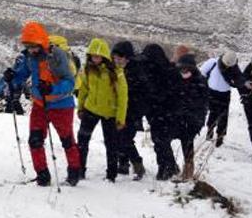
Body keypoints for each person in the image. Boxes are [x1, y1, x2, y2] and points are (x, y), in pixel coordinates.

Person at [7, 22, 81, 187]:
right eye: (28, 46)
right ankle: (43, 175)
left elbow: (70, 82)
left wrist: (52, 88)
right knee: (35, 140)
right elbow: (23, 74)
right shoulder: (30, 57)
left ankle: (74, 172)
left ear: (41, 43)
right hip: (40, 105)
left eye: (34, 46)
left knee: (67, 141)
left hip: (61, 106)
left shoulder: (57, 56)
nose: (31, 50)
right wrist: (12, 77)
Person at [76, 38, 128, 182]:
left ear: (104, 56)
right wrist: (80, 107)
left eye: (98, 56)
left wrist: (120, 118)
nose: (95, 58)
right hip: (91, 109)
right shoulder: (88, 69)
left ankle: (111, 175)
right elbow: (84, 89)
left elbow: (123, 97)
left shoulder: (116, 73)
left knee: (111, 144)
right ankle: (80, 170)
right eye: (93, 55)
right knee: (82, 140)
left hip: (109, 114)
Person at [141, 43, 181, 180]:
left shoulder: (163, 71)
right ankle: (168, 167)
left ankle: (166, 168)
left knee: (160, 140)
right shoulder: (167, 69)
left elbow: (166, 92)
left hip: (163, 112)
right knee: (160, 140)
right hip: (160, 112)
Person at [111, 41, 149, 180]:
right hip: (119, 110)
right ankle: (123, 164)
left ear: (127, 58)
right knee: (119, 137)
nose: (117, 61)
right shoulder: (116, 70)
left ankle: (137, 164)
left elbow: (142, 95)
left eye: (120, 58)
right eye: (114, 58)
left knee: (125, 139)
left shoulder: (137, 72)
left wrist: (135, 111)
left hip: (133, 112)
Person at [173, 53, 209, 180]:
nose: (183, 71)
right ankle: (172, 166)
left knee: (187, 143)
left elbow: (203, 104)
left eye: (186, 69)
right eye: (181, 69)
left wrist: (196, 121)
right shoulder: (176, 78)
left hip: (192, 119)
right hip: (176, 118)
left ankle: (188, 170)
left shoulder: (200, 81)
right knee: (163, 140)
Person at [199, 50, 245, 147]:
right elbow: (202, 73)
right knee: (213, 113)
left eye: (230, 65)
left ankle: (220, 136)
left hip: (225, 94)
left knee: (223, 116)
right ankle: (210, 130)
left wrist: (239, 84)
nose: (227, 67)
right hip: (211, 92)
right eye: (226, 64)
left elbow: (240, 80)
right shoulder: (213, 62)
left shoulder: (234, 68)